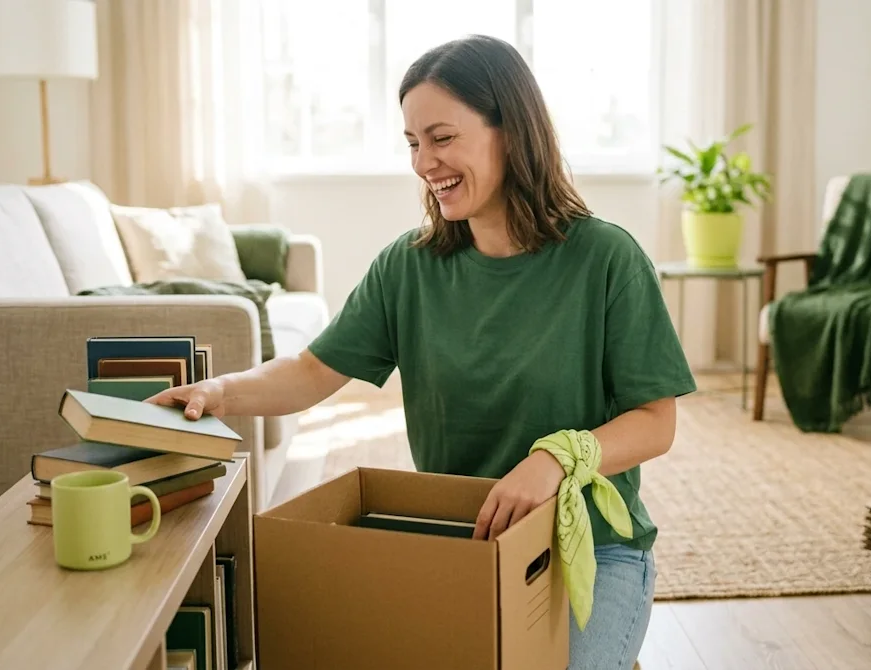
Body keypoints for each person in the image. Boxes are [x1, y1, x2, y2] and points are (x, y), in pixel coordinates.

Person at [148, 34, 696, 670]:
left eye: (442, 137)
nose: (423, 162)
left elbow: (657, 422)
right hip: (463, 545)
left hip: (593, 551)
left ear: (511, 133)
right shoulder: (407, 269)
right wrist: (220, 391)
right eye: (412, 143)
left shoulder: (607, 259)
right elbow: (310, 372)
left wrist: (555, 460)